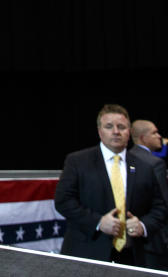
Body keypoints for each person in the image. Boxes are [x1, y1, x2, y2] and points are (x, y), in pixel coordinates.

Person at [54, 104, 167, 266]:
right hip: (86, 254)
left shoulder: (145, 167)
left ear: (129, 132)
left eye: (121, 127)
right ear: (100, 131)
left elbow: (160, 208)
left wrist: (142, 225)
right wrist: (98, 222)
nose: (116, 131)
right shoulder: (77, 161)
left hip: (132, 257)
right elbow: (63, 201)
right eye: (109, 126)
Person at [132, 119, 168, 269]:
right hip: (156, 240)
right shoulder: (154, 163)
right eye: (154, 133)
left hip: (133, 239)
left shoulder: (127, 158)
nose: (159, 136)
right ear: (142, 138)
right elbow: (164, 203)